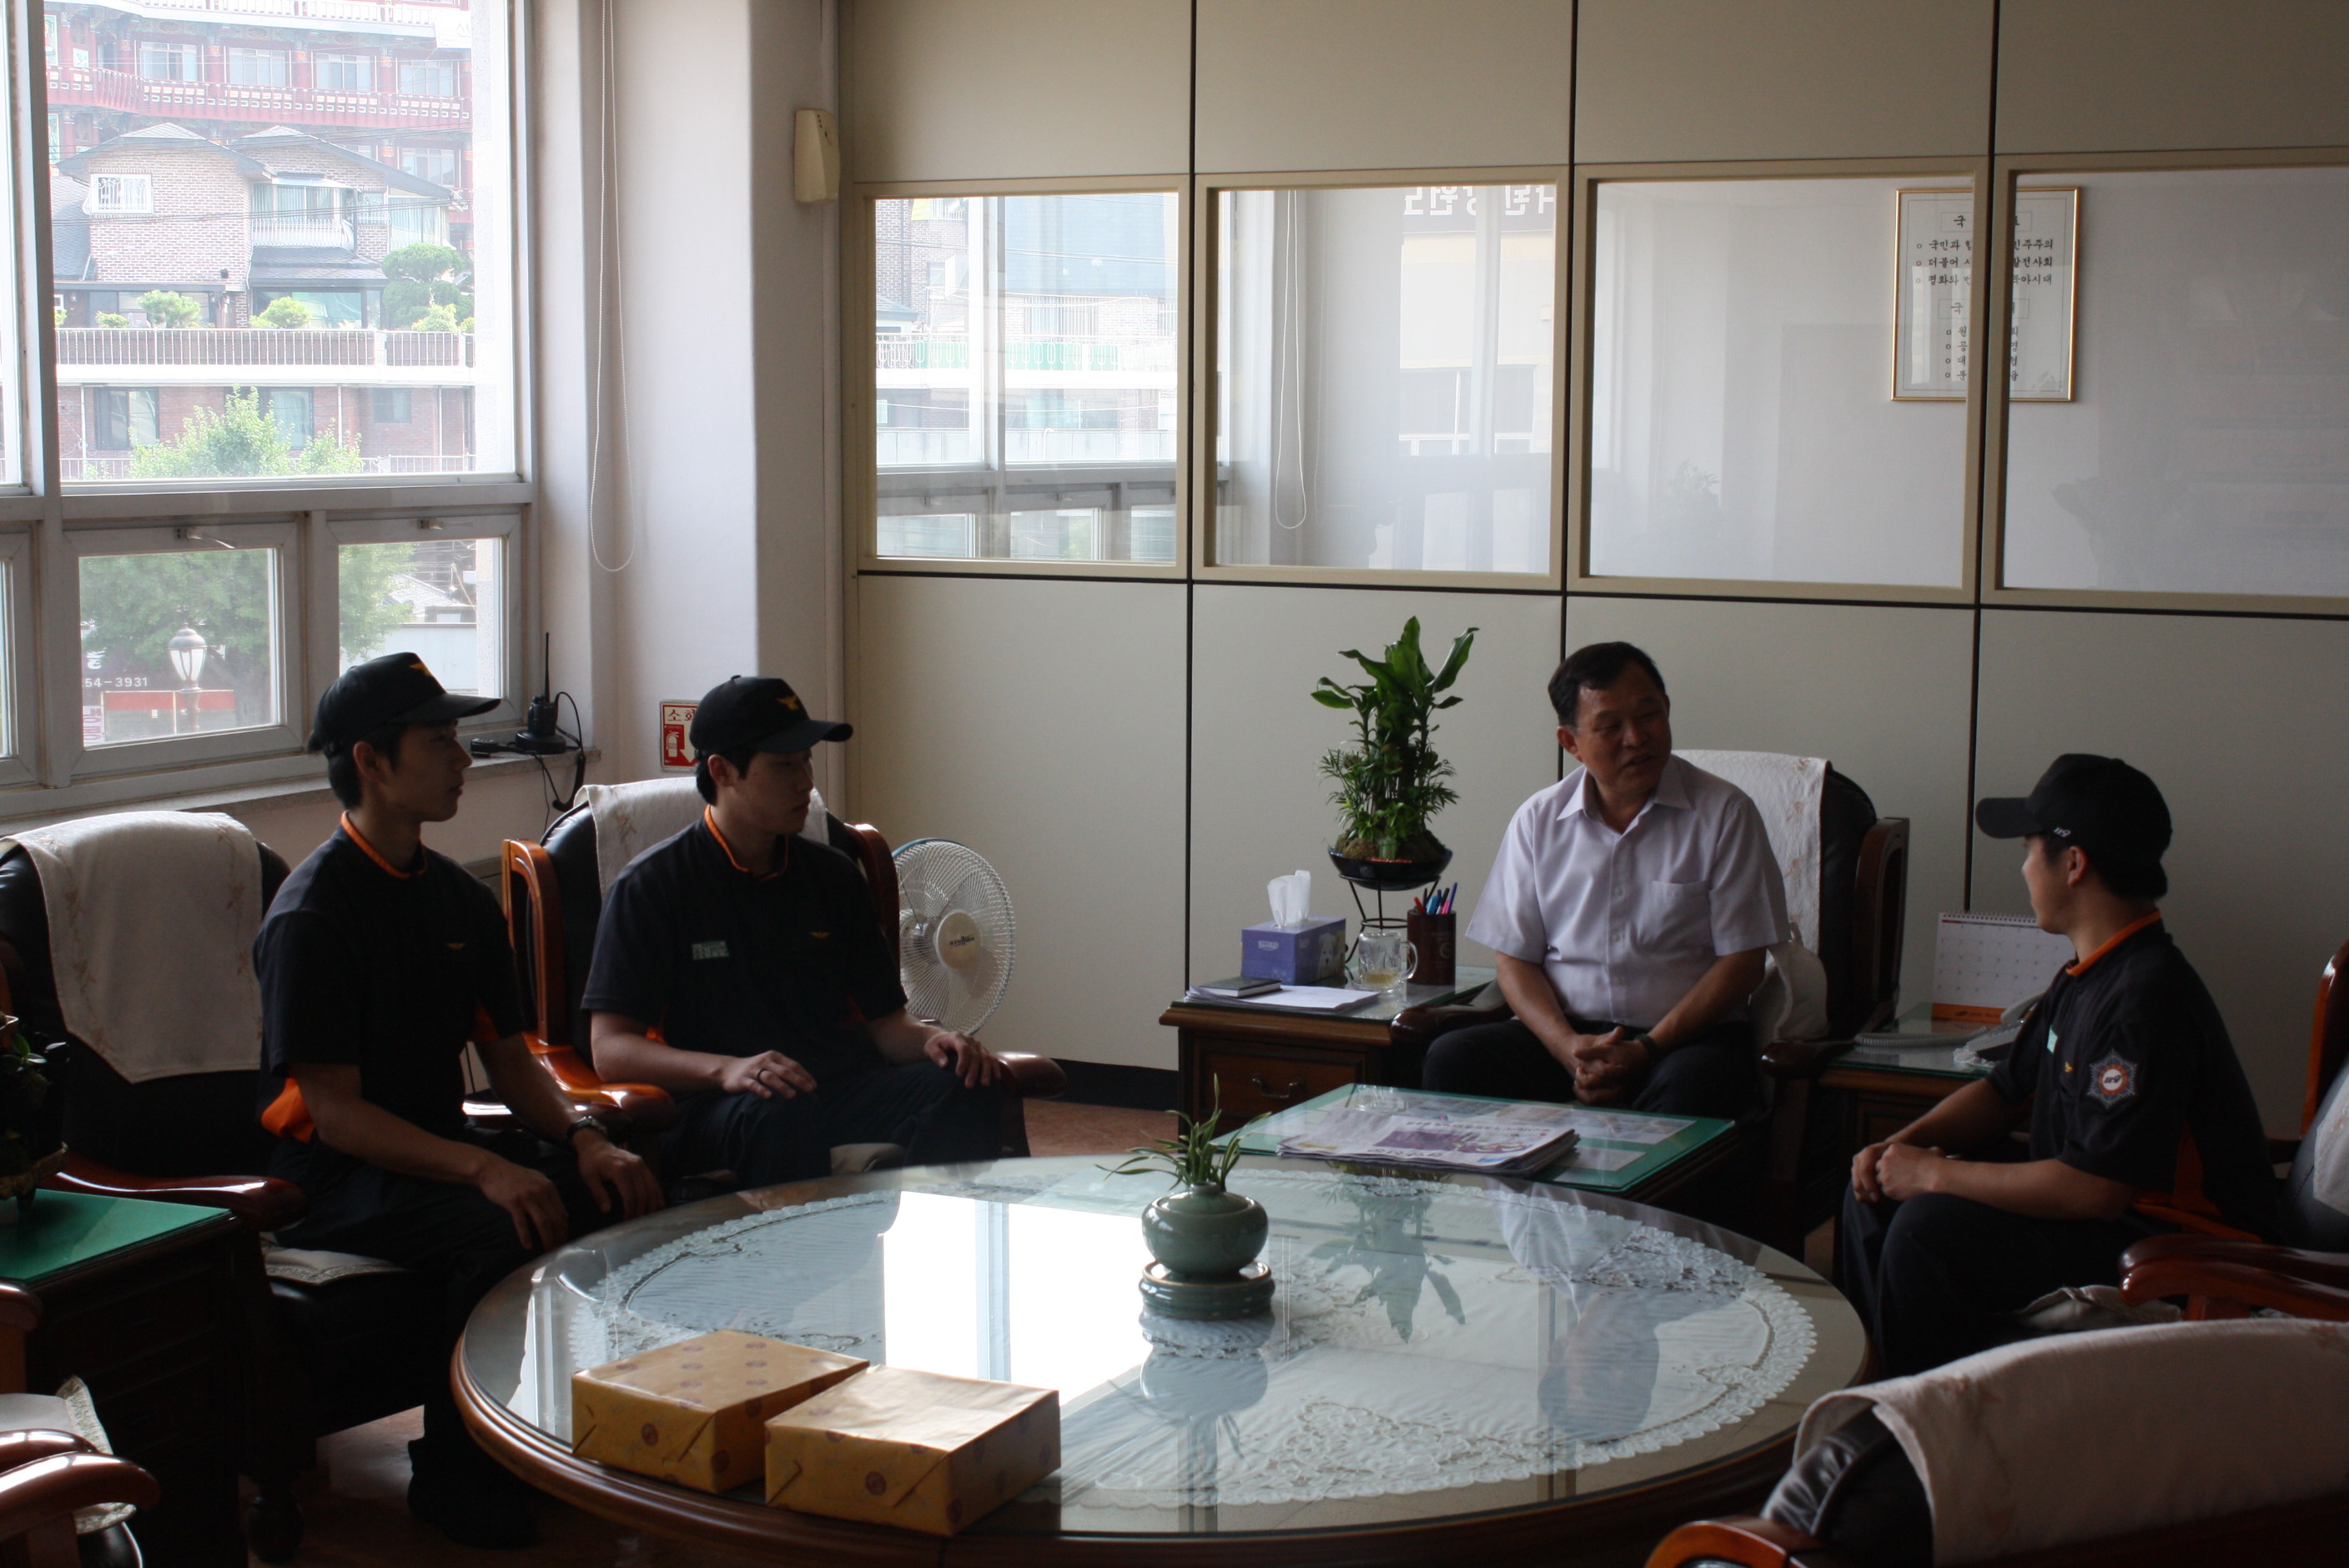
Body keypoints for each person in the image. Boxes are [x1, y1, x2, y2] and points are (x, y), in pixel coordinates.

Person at [257, 653, 661, 1550]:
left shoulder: (454, 898)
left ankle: (566, 1429)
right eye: (439, 740)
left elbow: (512, 1063)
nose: (463, 758)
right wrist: (484, 1168)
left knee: (615, 1183)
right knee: (500, 1222)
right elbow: (336, 1114)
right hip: (332, 1176)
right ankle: (454, 1468)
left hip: (436, 1150)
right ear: (371, 760)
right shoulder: (313, 915)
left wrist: (586, 1138)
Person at [1840, 754, 2281, 1375]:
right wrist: (1901, 1148)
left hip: (2175, 1246)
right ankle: (1879, 1385)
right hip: (2109, 1221)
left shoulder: (2144, 1000)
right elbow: (2002, 1091)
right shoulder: (2087, 974)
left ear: (2074, 864)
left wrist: (1937, 1176)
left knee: (1926, 1229)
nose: (2023, 869)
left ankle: (1939, 1412)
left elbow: (2094, 1189)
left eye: (2028, 851)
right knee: (1873, 1193)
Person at [582, 675, 1007, 1192]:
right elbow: (611, 1050)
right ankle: (794, 1248)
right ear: (722, 771)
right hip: (719, 1105)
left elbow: (888, 1026)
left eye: (807, 761)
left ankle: (937, 1230)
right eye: (784, 765)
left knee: (971, 1082)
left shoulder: (833, 877)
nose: (806, 781)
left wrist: (939, 1041)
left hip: (834, 1089)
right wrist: (726, 1070)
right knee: (779, 1110)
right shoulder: (653, 887)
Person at [1426, 641, 1786, 1118]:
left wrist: (1646, 1050)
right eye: (1610, 726)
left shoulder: (1725, 813)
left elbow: (1743, 963)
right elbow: (1514, 959)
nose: (1636, 738)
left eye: (1648, 715)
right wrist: (1567, 1049)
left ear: (1667, 711)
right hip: (1568, 1034)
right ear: (1571, 742)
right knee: (1453, 1058)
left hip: (1685, 1040)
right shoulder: (1538, 820)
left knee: (1697, 1085)